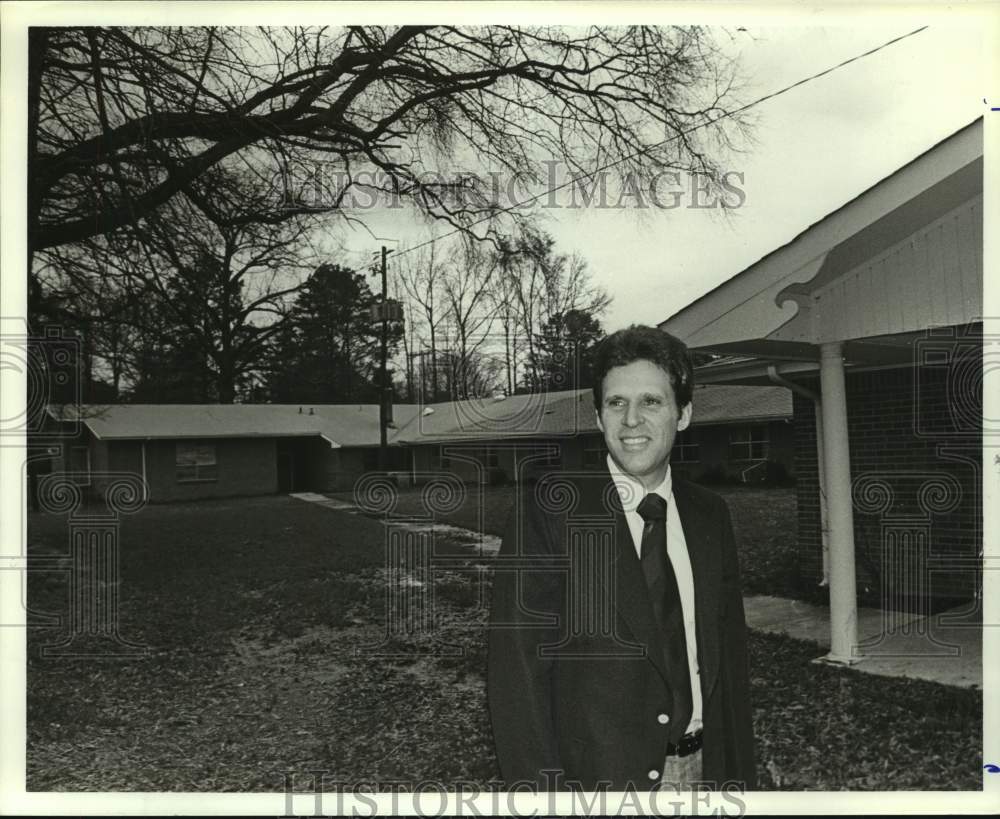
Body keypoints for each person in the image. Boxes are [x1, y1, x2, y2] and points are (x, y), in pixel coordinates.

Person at [487, 325, 756, 792]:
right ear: (599, 416)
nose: (631, 419)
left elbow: (729, 667)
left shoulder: (710, 516)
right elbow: (517, 675)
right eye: (616, 402)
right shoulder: (552, 510)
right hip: (597, 786)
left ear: (684, 413)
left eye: (651, 401)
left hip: (702, 772)